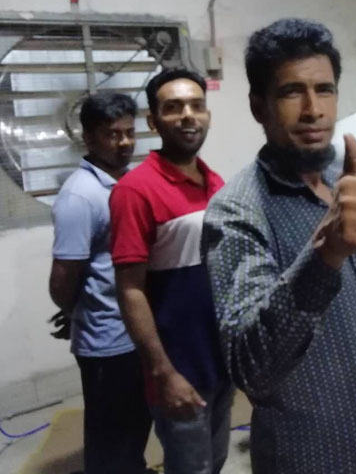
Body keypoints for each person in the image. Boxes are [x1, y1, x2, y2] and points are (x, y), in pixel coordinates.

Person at [203, 18, 356, 473]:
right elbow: (251, 367)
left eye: (324, 90)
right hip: (311, 458)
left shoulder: (341, 183)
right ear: (259, 106)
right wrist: (323, 255)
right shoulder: (236, 211)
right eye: (292, 92)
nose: (314, 110)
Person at [110, 69, 233, 474]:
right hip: (180, 371)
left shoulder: (215, 182)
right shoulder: (135, 190)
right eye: (174, 107)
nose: (188, 116)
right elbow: (130, 290)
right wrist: (163, 373)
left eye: (197, 106)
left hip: (220, 363)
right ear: (153, 121)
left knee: (215, 462)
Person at [49, 92, 151, 474]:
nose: (124, 142)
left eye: (129, 133)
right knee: (110, 439)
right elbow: (63, 279)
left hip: (135, 332)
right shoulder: (80, 195)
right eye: (113, 134)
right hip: (106, 342)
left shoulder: (126, 182)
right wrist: (79, 312)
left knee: (135, 427)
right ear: (89, 137)